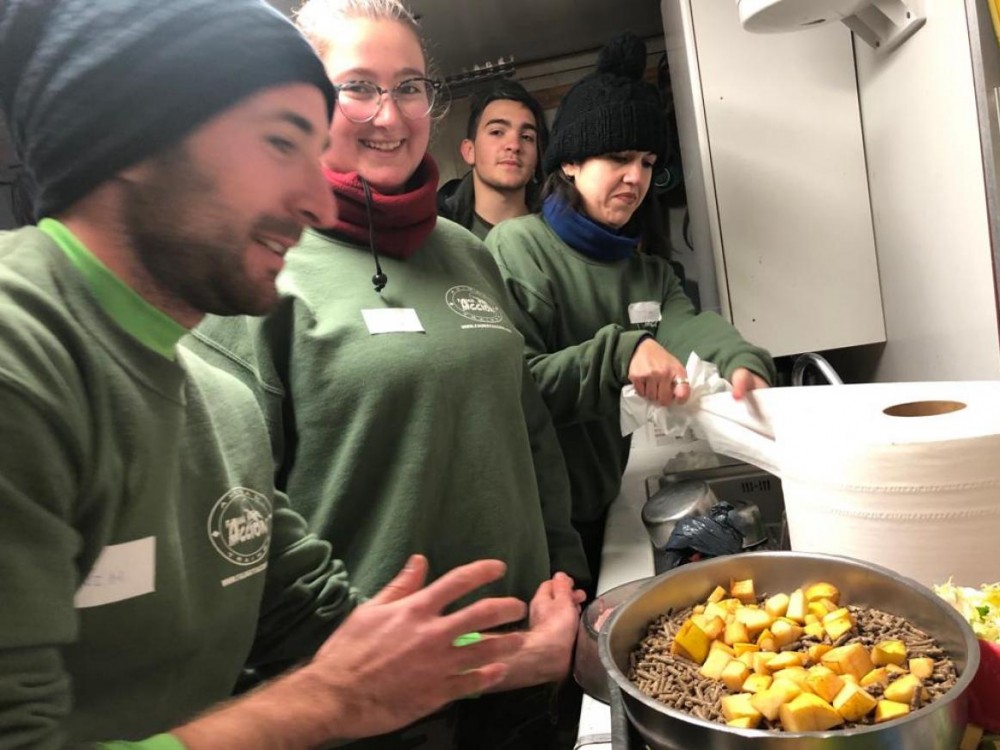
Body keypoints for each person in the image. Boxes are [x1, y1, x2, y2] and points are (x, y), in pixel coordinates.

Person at [0, 1, 571, 747]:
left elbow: (317, 620)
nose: (315, 199)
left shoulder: (218, 403)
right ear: (133, 132)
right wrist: (327, 702)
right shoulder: (23, 358)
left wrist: (510, 659)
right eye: (278, 143)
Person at [186, 0, 588, 747]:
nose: (390, 115)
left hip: (526, 664)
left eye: (409, 87)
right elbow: (234, 517)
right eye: (358, 87)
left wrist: (565, 579)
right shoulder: (258, 269)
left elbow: (526, 428)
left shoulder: (466, 253)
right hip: (373, 700)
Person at [484, 32, 777, 581]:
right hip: (533, 521)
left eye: (647, 162)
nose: (636, 177)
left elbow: (687, 325)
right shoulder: (518, 249)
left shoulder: (647, 271)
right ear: (570, 163)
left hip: (600, 499)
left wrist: (742, 362)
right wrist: (622, 353)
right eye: (618, 158)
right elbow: (516, 387)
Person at [437, 79, 547, 239]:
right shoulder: (439, 235)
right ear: (469, 151)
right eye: (497, 132)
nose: (514, 145)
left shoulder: (561, 230)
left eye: (526, 137)